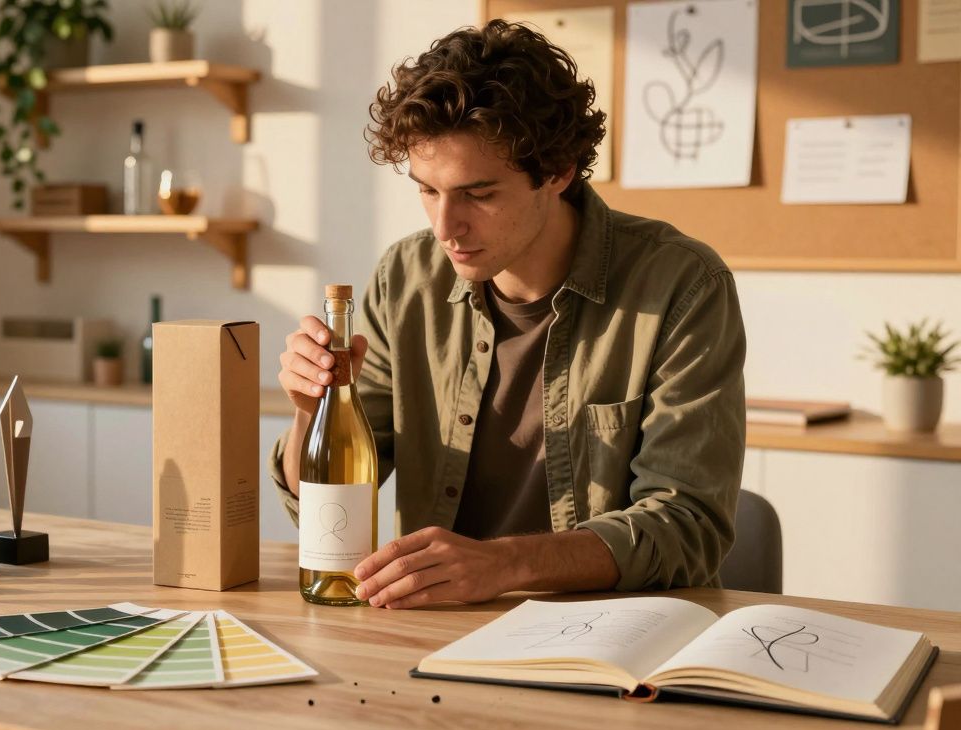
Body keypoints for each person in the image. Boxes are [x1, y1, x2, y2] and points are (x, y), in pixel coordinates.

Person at [269, 20, 746, 609]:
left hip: (611, 640)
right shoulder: (404, 279)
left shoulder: (681, 285)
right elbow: (326, 512)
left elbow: (687, 526)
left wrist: (503, 564)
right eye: (427, 190)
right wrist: (309, 418)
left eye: (479, 194)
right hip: (430, 631)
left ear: (558, 172)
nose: (445, 228)